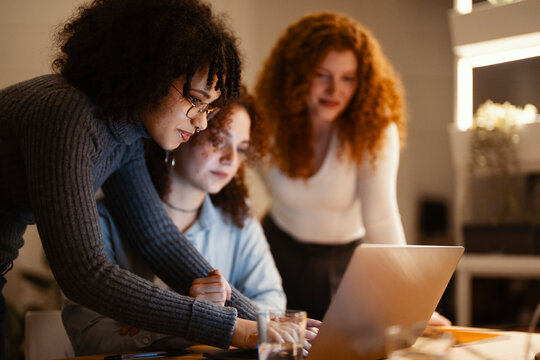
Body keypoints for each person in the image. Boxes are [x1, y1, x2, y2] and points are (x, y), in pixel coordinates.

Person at [0, 0, 262, 356]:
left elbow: (158, 240)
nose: (202, 122)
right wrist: (232, 328)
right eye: (196, 100)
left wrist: (266, 324)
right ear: (149, 71)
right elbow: (85, 274)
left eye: (209, 108)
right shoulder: (67, 116)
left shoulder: (123, 131)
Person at [62, 89, 287, 355]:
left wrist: (211, 316)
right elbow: (88, 335)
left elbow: (273, 306)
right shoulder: (102, 218)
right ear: (186, 132)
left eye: (241, 149)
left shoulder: (239, 221)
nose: (231, 160)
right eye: (217, 140)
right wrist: (186, 318)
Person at [255, 11, 442, 323]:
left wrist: (413, 299)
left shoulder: (375, 128)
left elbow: (381, 217)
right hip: (274, 257)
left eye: (348, 78)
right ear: (297, 74)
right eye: (322, 75)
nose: (335, 91)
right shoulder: (268, 121)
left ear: (363, 80)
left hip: (344, 266)